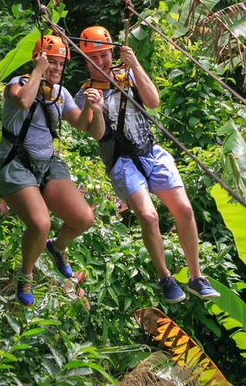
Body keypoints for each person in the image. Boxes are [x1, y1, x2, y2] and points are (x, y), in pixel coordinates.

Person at [74, 25, 219, 303]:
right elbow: (98, 134)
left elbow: (153, 101)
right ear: (86, 60)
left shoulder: (127, 74)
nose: (101, 62)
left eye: (105, 55)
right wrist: (95, 109)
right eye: (95, 58)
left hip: (150, 151)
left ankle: (196, 277)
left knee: (185, 210)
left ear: (111, 53)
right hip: (121, 161)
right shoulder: (86, 93)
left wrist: (135, 65)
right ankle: (165, 278)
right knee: (149, 216)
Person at [0, 34, 104, 307]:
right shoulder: (17, 84)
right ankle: (26, 275)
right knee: (41, 223)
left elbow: (81, 124)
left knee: (83, 218)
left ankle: (58, 247)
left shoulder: (60, 93)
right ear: (39, 60)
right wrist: (37, 71)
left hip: (47, 166)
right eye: (51, 63)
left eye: (60, 64)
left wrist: (91, 105)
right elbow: (23, 101)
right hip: (15, 163)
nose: (56, 68)